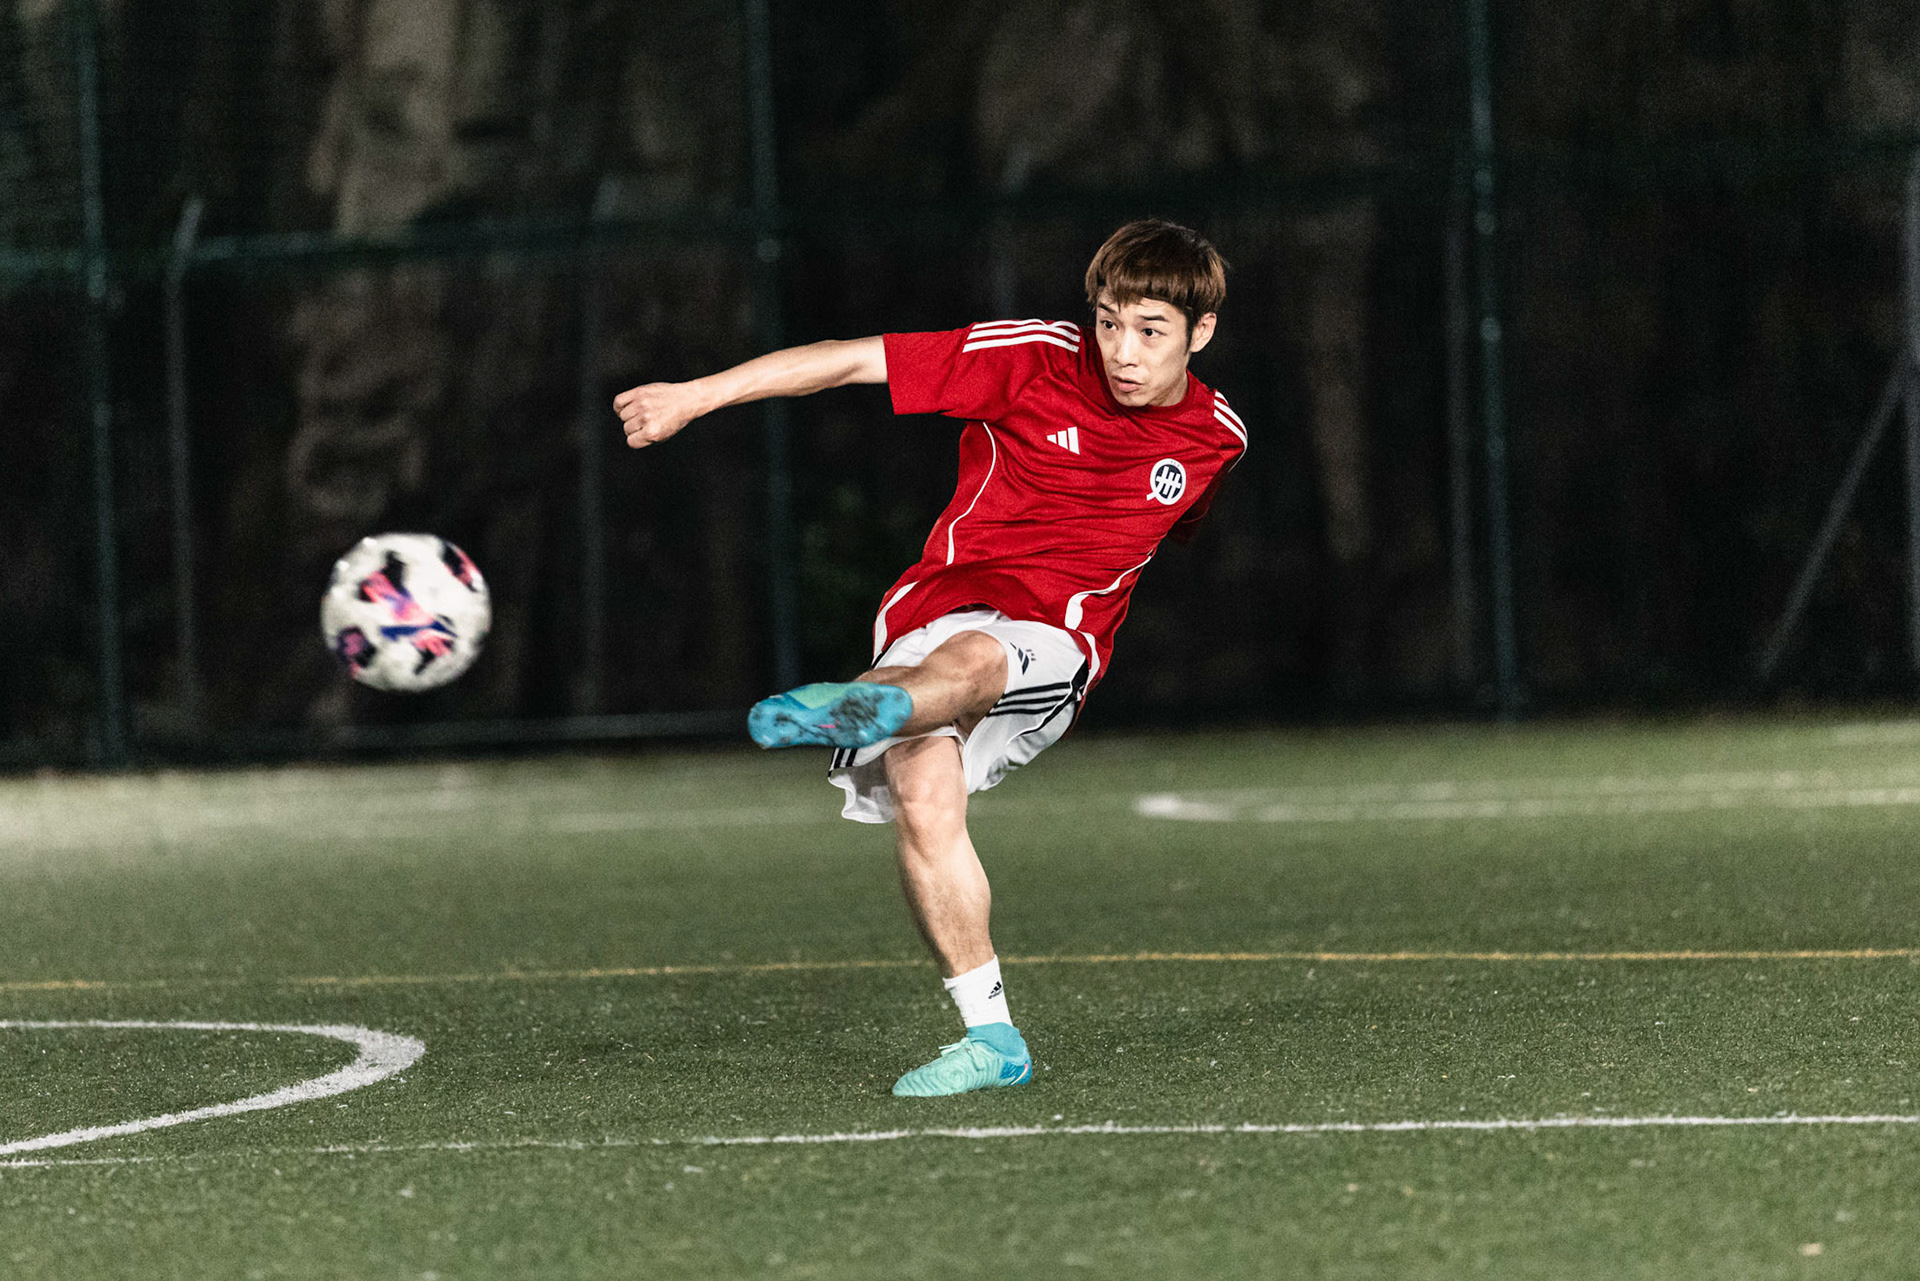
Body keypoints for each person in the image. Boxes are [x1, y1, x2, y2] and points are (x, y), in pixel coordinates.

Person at [613, 218, 1244, 1097]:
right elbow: (847, 360)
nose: (1121, 351)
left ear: (1199, 333)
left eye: (1149, 331)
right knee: (922, 792)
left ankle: (871, 703)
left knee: (977, 661)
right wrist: (692, 396)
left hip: (1054, 639)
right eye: (1107, 322)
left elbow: (1176, 516)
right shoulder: (1029, 359)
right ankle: (993, 1038)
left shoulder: (1217, 439)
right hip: (934, 608)